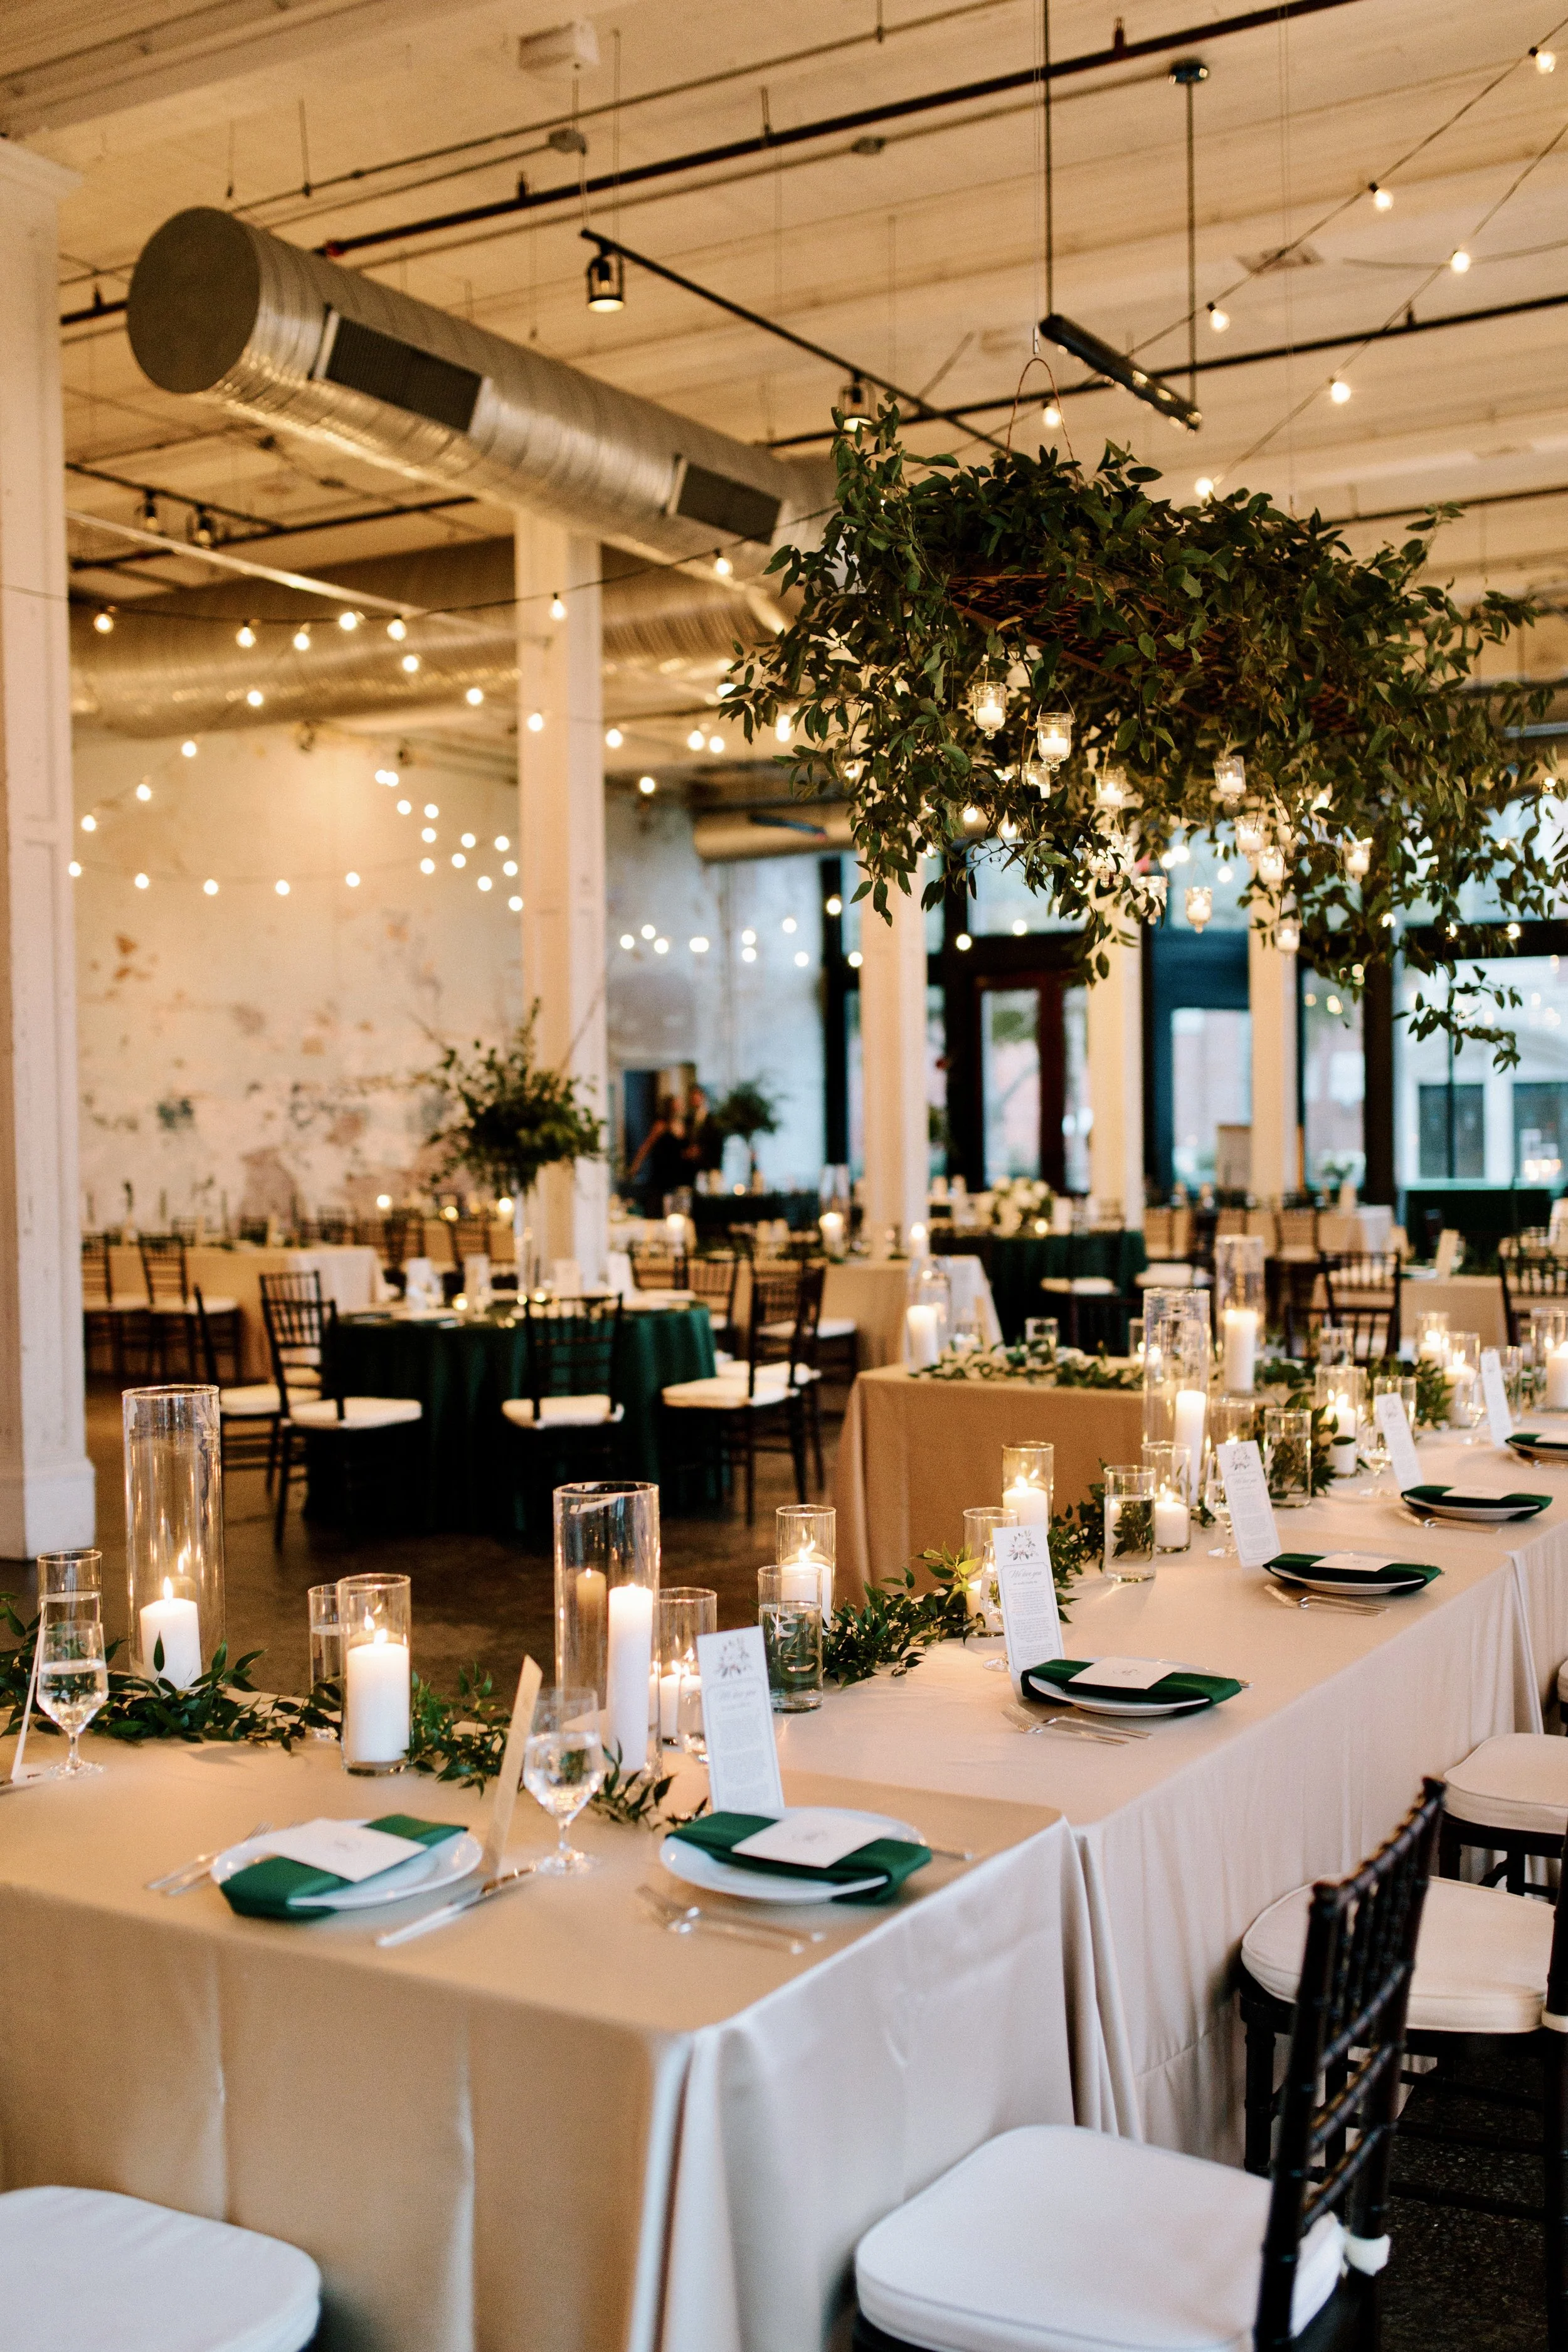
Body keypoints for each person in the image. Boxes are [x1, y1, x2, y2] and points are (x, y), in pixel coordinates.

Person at [627, 1094, 687, 1212]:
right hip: (663, 1174)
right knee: (661, 1205)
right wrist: (635, 1166)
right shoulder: (660, 1126)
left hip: (678, 1173)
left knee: (678, 1209)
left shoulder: (682, 1126)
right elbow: (646, 1146)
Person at [681, 1083, 724, 1184]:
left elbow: (716, 1144)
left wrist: (702, 1152)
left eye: (696, 1096)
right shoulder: (688, 1120)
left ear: (703, 1097)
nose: (694, 1099)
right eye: (692, 1097)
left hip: (708, 1166)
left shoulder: (712, 1120)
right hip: (691, 1169)